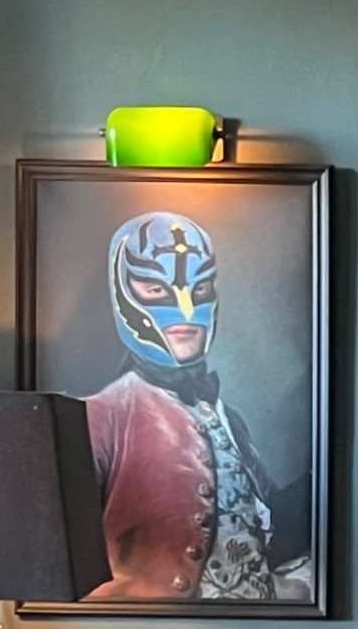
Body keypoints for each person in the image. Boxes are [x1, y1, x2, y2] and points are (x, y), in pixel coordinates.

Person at [79, 209, 314, 604]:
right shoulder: (101, 417)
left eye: (200, 289)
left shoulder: (226, 416)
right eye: (156, 289)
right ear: (123, 292)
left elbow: (265, 525)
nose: (186, 310)